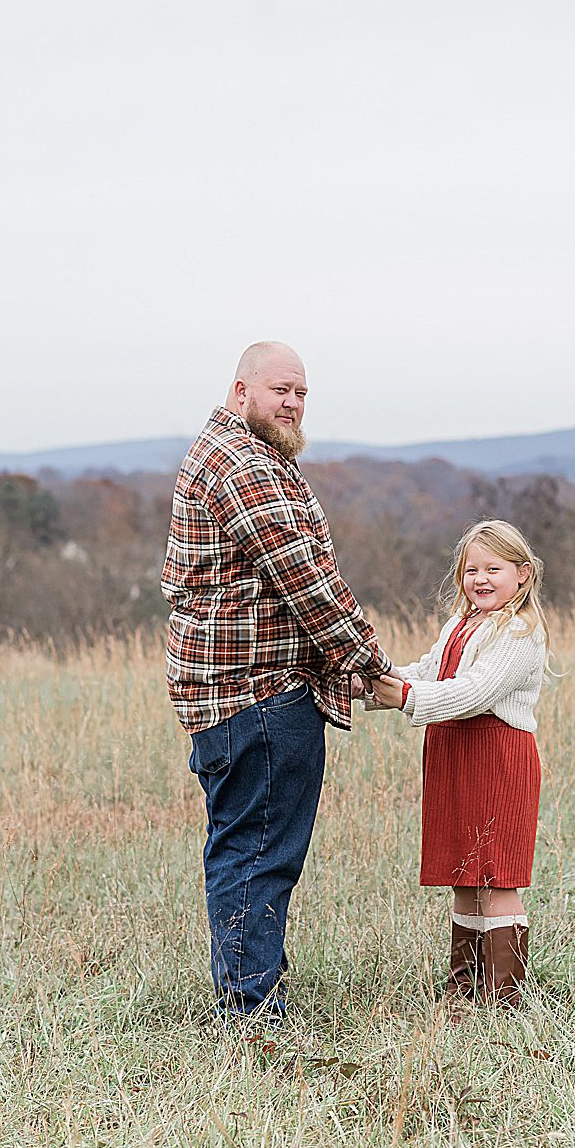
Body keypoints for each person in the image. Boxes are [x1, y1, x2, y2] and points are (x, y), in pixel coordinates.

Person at [161, 340, 393, 1019]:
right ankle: (252, 1011)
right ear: (241, 392)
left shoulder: (252, 454)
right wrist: (367, 663)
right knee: (259, 850)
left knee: (247, 844)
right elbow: (305, 578)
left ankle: (251, 989)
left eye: (301, 394)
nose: (292, 404)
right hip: (255, 694)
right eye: (279, 390)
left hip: (240, 692)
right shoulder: (240, 463)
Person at [368, 519, 553, 1010]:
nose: (481, 579)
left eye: (494, 568)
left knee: (496, 875)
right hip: (454, 757)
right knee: (464, 873)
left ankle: (503, 996)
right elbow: (426, 672)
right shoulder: (460, 624)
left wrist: (403, 697)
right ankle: (463, 988)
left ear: (523, 575)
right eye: (472, 569)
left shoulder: (520, 634)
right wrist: (373, 683)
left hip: (496, 759)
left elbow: (474, 692)